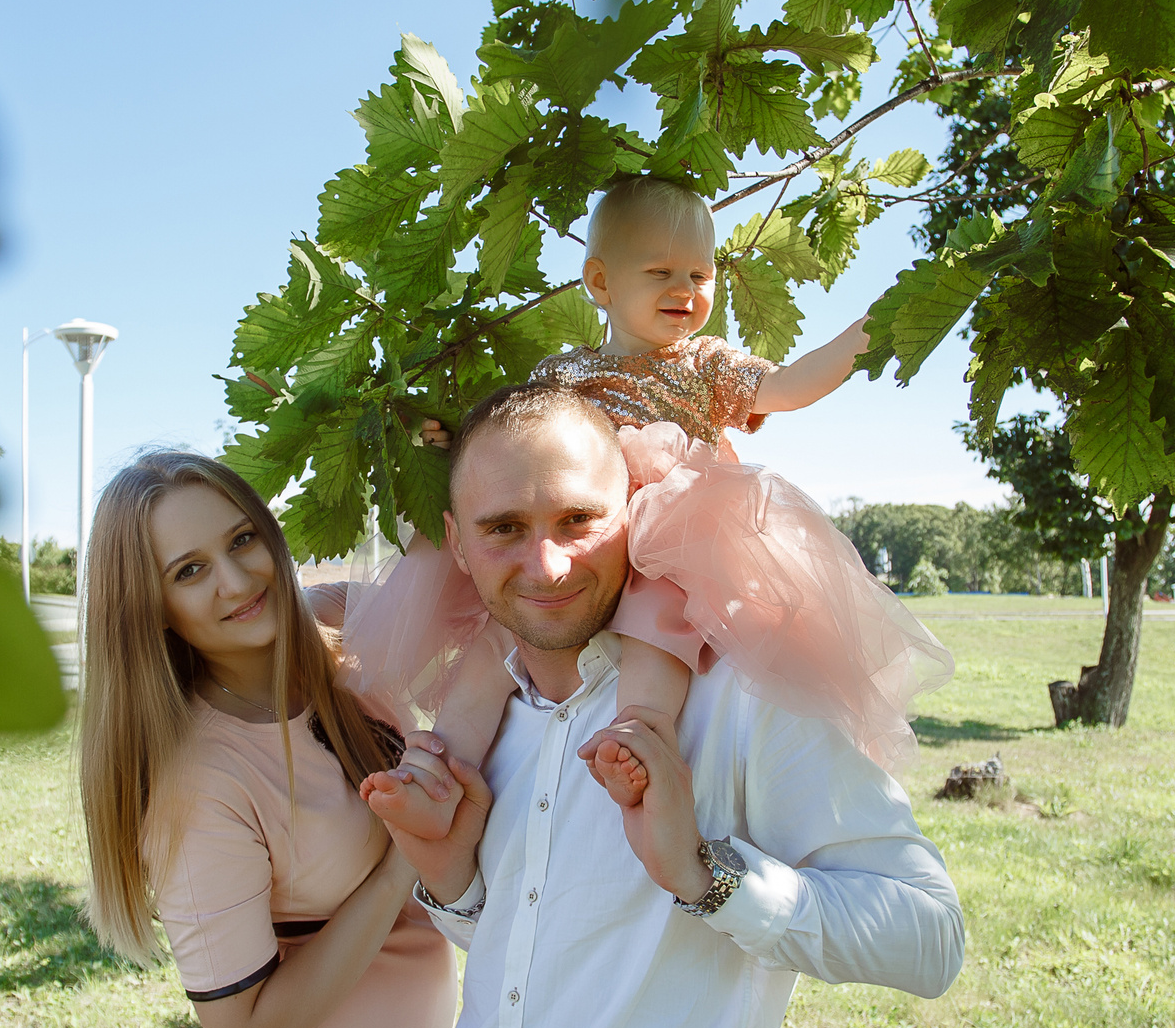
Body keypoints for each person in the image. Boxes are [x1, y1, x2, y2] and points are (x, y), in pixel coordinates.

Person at [364, 385, 966, 1028]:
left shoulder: (740, 704)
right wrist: (448, 877)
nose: (546, 563)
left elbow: (929, 935)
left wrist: (704, 872)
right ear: (458, 547)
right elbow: (526, 948)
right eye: (506, 529)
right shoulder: (483, 713)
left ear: (630, 518)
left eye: (577, 521)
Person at [343, 174, 951, 828]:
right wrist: (457, 433)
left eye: (701, 273)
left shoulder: (704, 366)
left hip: (671, 534)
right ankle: (439, 769)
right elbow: (517, 445)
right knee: (497, 645)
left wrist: (875, 325)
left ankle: (642, 731)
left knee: (661, 619)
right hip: (581, 532)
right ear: (601, 282)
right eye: (661, 271)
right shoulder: (561, 373)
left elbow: (790, 385)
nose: (685, 290)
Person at [76, 451, 485, 1028]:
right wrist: (397, 864)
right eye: (189, 571)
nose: (236, 579)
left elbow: (451, 580)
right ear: (152, 609)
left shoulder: (340, 665)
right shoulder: (199, 780)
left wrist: (433, 450)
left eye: (243, 540)